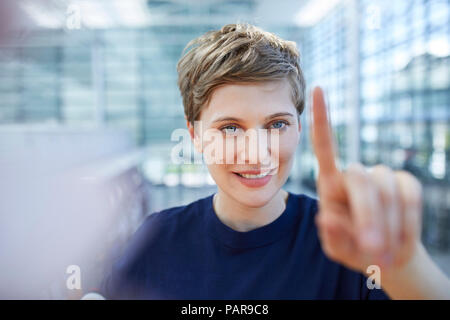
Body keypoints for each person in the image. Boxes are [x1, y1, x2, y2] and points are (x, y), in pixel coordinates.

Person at [100, 23, 450, 300]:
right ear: (195, 136)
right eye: (231, 128)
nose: (256, 153)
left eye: (276, 124)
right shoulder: (154, 240)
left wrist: (405, 268)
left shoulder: (349, 244)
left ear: (298, 129)